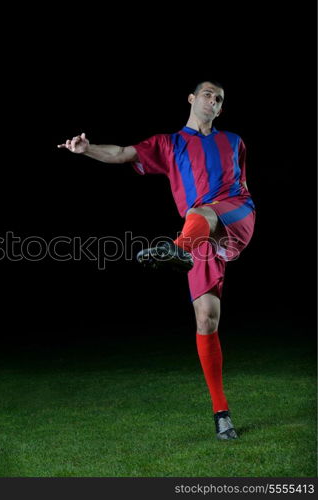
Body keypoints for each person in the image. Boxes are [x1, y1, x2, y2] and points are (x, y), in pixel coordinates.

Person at [57, 81, 255, 440]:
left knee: (201, 211)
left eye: (220, 99)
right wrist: (87, 150)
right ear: (193, 99)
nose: (214, 100)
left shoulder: (234, 142)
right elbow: (121, 152)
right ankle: (221, 412)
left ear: (221, 110)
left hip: (235, 213)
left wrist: (191, 235)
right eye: (209, 93)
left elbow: (236, 183)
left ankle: (176, 250)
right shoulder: (168, 144)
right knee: (206, 319)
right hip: (199, 233)